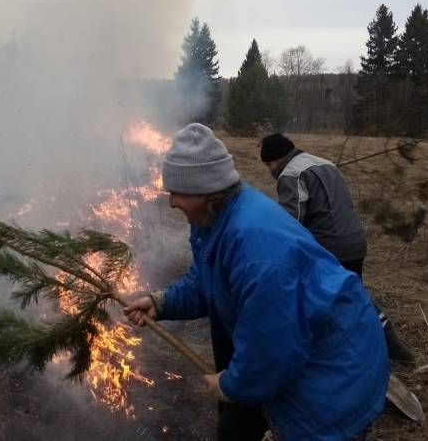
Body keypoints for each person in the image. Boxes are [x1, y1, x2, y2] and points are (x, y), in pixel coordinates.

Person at [125, 123, 388, 441]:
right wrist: (161, 302)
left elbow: (271, 349)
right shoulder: (214, 219)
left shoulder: (256, 250)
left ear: (206, 191)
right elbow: (206, 280)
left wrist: (230, 385)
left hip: (331, 378)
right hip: (293, 357)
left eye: (177, 192)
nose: (171, 202)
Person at [259, 132, 414, 363]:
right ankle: (379, 344)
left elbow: (292, 222)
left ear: (277, 159)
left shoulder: (291, 173)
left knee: (312, 294)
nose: (270, 170)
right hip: (354, 240)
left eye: (269, 164)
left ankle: (352, 349)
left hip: (329, 245)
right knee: (354, 295)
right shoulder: (325, 163)